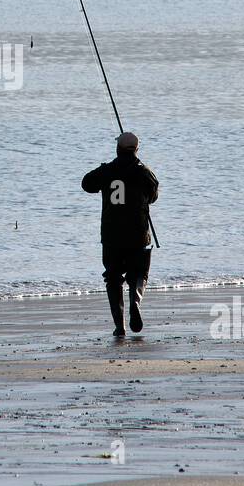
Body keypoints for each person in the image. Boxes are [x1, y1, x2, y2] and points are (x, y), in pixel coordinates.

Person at [82, 132, 159, 337]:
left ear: (118, 148)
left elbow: (86, 184)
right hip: (138, 233)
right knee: (139, 274)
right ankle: (135, 302)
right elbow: (153, 196)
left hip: (111, 235)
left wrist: (104, 170)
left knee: (113, 278)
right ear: (136, 149)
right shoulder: (143, 172)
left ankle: (119, 326)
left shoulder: (107, 170)